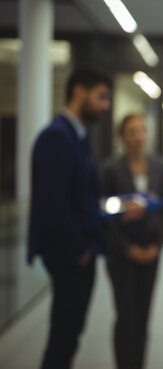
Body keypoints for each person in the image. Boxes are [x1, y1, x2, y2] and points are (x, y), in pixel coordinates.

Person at [27, 66, 112, 369]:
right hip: (70, 255)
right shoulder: (57, 137)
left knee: (69, 334)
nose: (106, 106)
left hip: (78, 250)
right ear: (79, 91)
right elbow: (53, 206)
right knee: (63, 339)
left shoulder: (76, 137)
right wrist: (80, 251)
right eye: (101, 97)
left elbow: (79, 197)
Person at [100, 113, 163, 369]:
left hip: (151, 253)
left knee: (142, 317)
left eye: (142, 130)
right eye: (132, 131)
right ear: (122, 137)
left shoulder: (159, 167)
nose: (138, 136)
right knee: (126, 317)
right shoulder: (110, 169)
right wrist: (127, 247)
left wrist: (156, 246)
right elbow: (104, 213)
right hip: (122, 254)